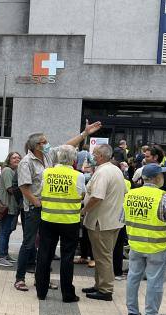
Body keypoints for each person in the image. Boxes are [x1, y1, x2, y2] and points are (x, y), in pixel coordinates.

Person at [13, 122, 102, 291]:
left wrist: (84, 133)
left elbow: (67, 146)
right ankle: (20, 278)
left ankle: (42, 279)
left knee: (45, 246)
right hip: (34, 209)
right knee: (29, 244)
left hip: (48, 209)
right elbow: (24, 186)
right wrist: (35, 202)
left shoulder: (48, 156)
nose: (48, 144)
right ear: (36, 146)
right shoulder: (26, 162)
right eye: (44, 142)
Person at [122, 163, 166, 315]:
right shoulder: (164, 197)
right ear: (156, 178)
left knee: (133, 277)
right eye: (161, 175)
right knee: (154, 280)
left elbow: (123, 219)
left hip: (135, 244)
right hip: (157, 246)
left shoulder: (130, 194)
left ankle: (132, 312)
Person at [36, 145, 85, 302]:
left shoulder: (47, 173)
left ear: (57, 157)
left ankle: (41, 292)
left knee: (44, 255)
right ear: (73, 159)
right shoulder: (78, 176)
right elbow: (82, 195)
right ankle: (67, 294)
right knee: (67, 258)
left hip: (48, 219)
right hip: (69, 221)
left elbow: (41, 191)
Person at [82, 143, 126, 301]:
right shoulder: (115, 170)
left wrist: (83, 211)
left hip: (102, 222)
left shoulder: (103, 172)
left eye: (94, 154)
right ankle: (99, 285)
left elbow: (97, 197)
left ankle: (105, 290)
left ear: (101, 156)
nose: (92, 157)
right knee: (102, 255)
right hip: (113, 221)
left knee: (103, 257)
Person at [0, 152, 22, 267]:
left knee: (7, 231)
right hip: (6, 207)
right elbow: (10, 189)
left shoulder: (13, 171)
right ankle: (0, 257)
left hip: (11, 207)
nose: (17, 159)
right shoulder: (7, 171)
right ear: (9, 159)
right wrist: (24, 191)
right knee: (4, 232)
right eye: (14, 157)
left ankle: (5, 255)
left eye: (18, 157)